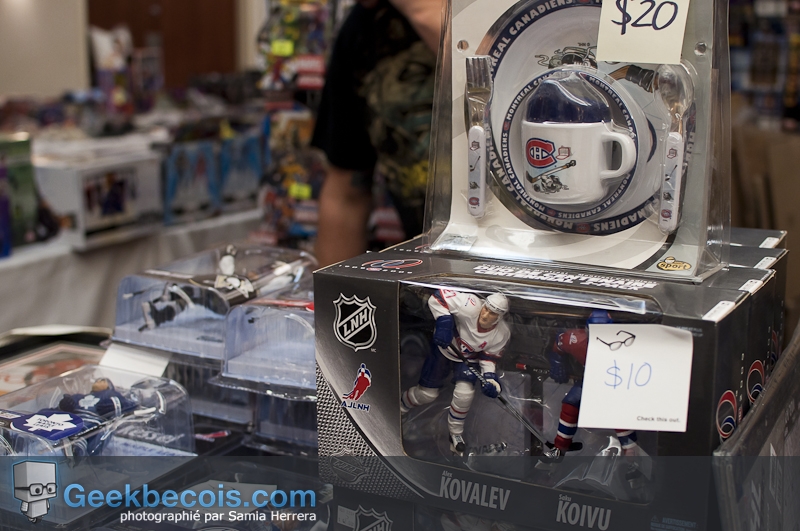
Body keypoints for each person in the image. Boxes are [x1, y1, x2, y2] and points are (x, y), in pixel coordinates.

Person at [312, 0, 443, 267]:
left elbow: (500, 82)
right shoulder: (362, 27)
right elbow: (346, 196)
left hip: (517, 272)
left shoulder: (507, 10)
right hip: (427, 276)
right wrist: (330, 291)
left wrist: (423, 11)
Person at [401, 290, 510, 454]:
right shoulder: (470, 304)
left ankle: (455, 434)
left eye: (492, 313)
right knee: (426, 395)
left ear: (499, 317)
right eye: (486, 309)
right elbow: (438, 297)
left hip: (467, 358)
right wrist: (444, 322)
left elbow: (488, 358)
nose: (486, 315)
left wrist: (490, 380)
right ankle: (400, 408)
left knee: (465, 394)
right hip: (443, 350)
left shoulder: (501, 333)